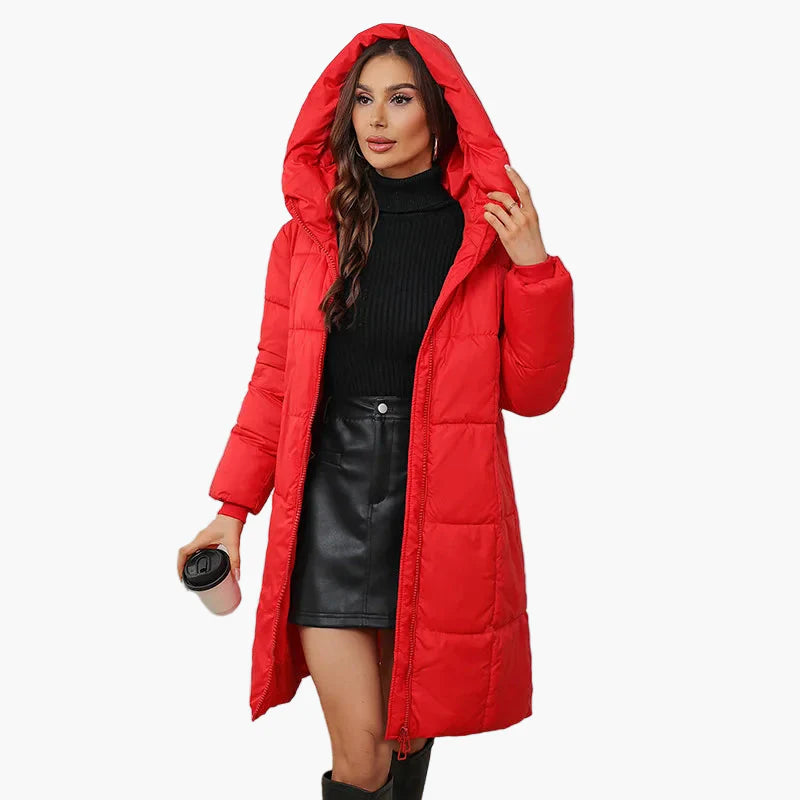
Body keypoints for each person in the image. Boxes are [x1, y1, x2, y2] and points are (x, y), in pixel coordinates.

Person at [177, 23, 574, 800]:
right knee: (360, 759)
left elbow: (533, 395)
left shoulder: (484, 238)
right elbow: (274, 381)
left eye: (400, 99)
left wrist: (534, 270)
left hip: (438, 503)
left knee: (404, 737)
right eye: (363, 100)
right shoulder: (307, 237)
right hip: (330, 498)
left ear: (439, 113)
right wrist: (231, 510)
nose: (377, 119)